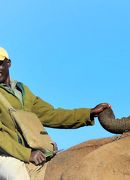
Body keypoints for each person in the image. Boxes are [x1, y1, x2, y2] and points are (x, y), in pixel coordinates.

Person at [0, 47, 111, 180]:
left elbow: (52, 114)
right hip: (6, 155)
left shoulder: (22, 91)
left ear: (9, 63)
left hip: (33, 151)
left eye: (0, 63)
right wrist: (27, 154)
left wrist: (88, 113)